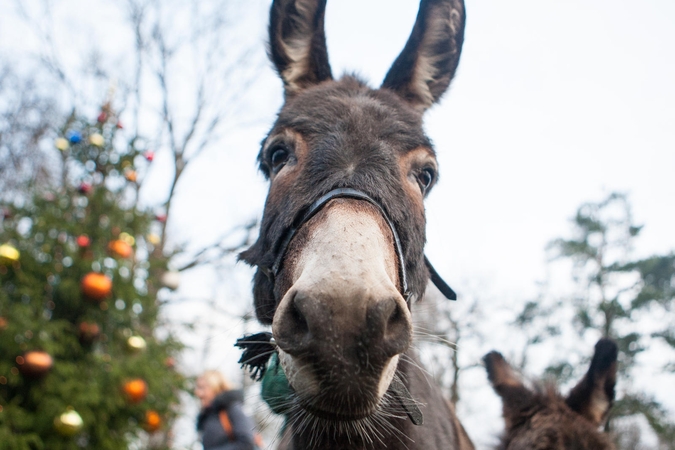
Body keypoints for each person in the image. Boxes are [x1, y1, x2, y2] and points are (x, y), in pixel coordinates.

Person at [195, 370, 255, 450]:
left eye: (203, 388)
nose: (198, 393)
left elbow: (246, 443)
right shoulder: (208, 417)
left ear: (216, 387)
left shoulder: (232, 408)